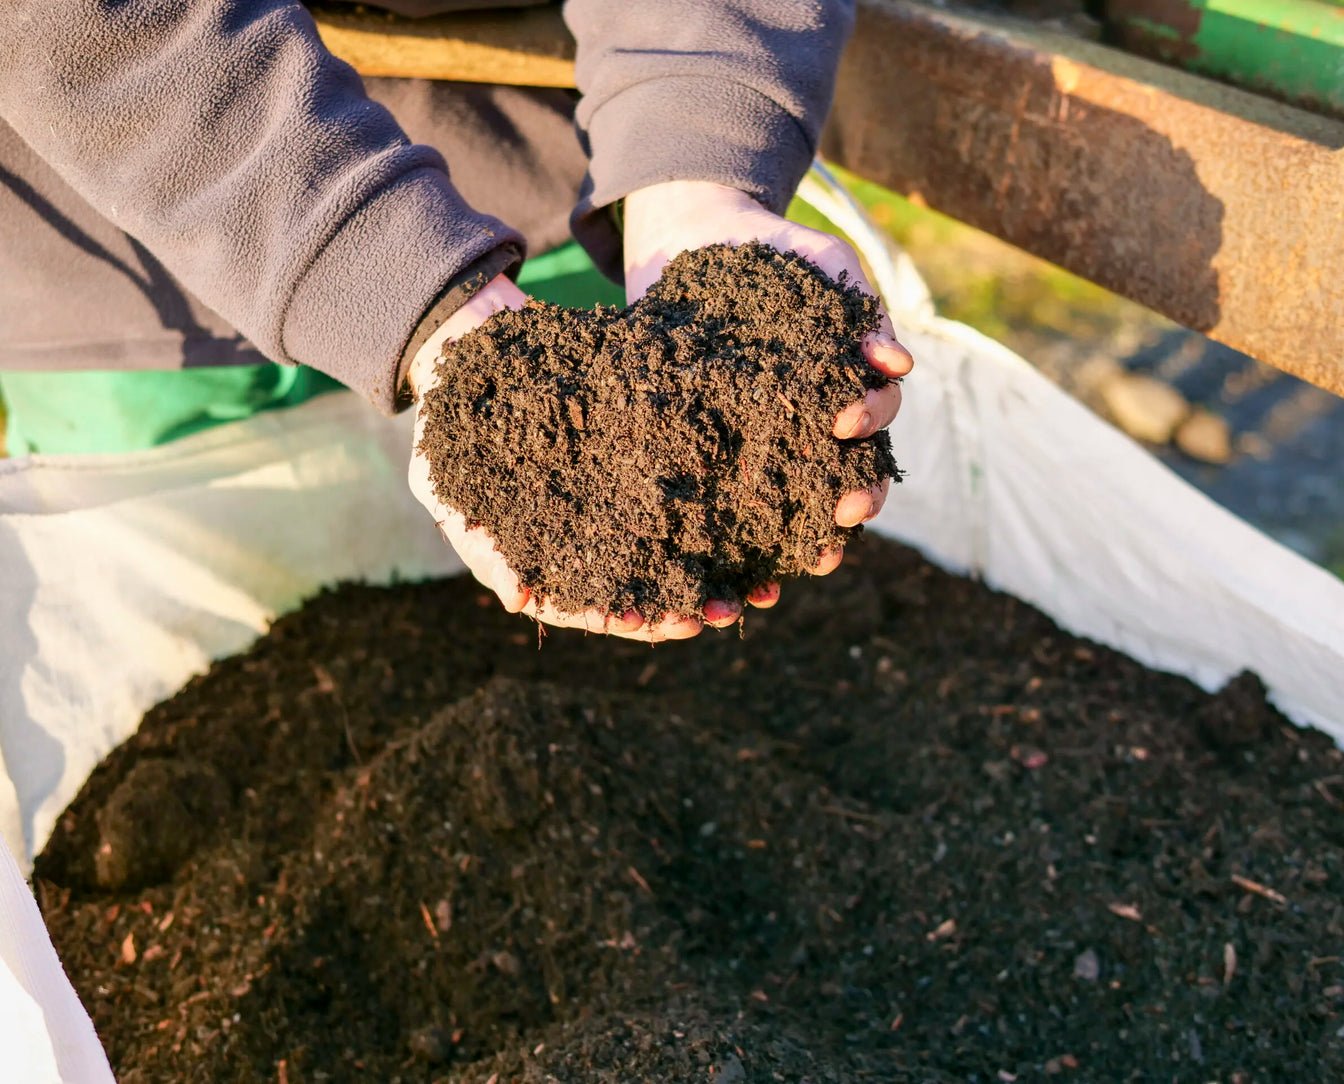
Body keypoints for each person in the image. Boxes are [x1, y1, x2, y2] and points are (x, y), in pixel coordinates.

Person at [0, 0, 913, 642]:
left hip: (571, 164)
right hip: (115, 223)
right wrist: (399, 285)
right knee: (205, 618)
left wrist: (695, 161)